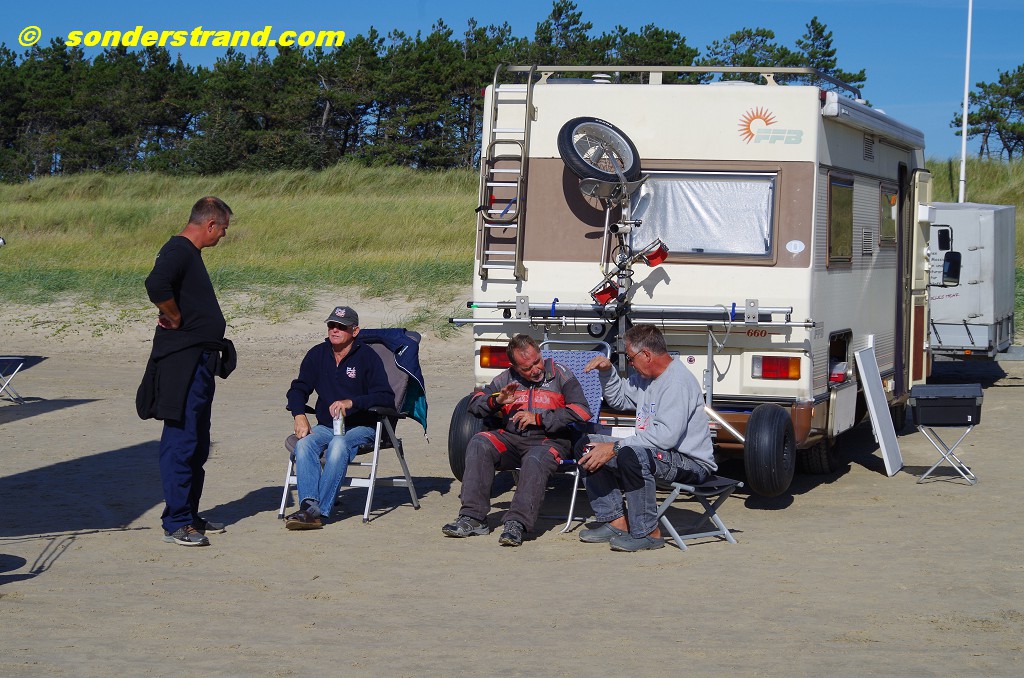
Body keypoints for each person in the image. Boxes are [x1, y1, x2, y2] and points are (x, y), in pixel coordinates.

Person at [137, 197, 236, 547]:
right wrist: (174, 316)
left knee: (197, 443)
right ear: (210, 224)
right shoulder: (178, 250)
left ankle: (189, 514)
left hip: (200, 362)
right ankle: (176, 522)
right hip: (183, 363)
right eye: (223, 228)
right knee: (181, 441)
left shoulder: (189, 253)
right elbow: (156, 284)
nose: (223, 235)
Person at [576, 324, 716, 552]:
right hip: (658, 453)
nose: (630, 363)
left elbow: (665, 438)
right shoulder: (646, 378)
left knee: (632, 455)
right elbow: (619, 399)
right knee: (587, 446)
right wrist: (607, 372)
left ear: (647, 355)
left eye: (630, 358)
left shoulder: (676, 382)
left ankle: (648, 533)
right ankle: (616, 522)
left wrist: (615, 447)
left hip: (691, 462)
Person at [442, 334, 591, 547]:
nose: (535, 370)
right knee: (479, 442)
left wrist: (539, 418)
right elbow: (474, 404)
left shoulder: (560, 374)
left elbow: (582, 411)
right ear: (515, 367)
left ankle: (516, 523)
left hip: (549, 441)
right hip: (511, 439)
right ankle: (472, 518)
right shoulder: (505, 378)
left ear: (540, 353)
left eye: (537, 361)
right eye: (527, 368)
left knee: (534, 459)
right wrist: (496, 400)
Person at [284, 306, 394, 530]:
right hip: (327, 425)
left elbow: (386, 396)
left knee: (338, 444)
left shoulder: (367, 357)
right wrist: (299, 415)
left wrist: (352, 402)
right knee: (304, 445)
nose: (334, 330)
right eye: (331, 325)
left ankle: (317, 512)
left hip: (361, 426)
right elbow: (297, 389)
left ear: (355, 331)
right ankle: (308, 504)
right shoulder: (317, 354)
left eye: (341, 327)